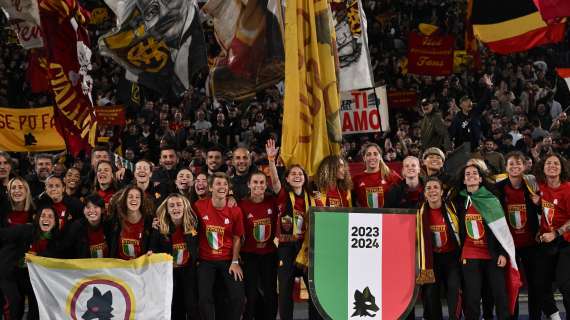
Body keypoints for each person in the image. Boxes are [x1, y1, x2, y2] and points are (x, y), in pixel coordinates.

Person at [496, 152, 559, 319]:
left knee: (535, 285)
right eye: (511, 164)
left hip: (532, 244)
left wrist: (539, 204)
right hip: (510, 246)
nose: (515, 166)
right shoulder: (499, 187)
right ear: (506, 167)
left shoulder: (533, 185)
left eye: (518, 164)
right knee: (513, 285)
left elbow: (545, 212)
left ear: (524, 166)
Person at [453, 164, 514, 320]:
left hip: (492, 253)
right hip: (470, 253)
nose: (471, 175)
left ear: (480, 179)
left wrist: (502, 253)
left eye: (475, 173)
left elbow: (502, 228)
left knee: (499, 294)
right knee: (472, 297)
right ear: (464, 180)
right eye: (467, 174)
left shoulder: (491, 199)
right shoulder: (458, 200)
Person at [193, 172, 245, 320]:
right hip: (205, 261)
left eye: (225, 184)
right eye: (218, 184)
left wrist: (235, 262)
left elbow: (237, 237)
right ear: (210, 187)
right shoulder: (199, 206)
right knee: (204, 299)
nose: (222, 187)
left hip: (228, 260)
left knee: (238, 298)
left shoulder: (235, 210)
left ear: (229, 188)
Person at [0, 205, 62, 319]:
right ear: (38, 219)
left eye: (50, 216)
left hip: (29, 279)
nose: (46, 219)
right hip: (8, 271)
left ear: (55, 222)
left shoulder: (56, 243)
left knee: (37, 302)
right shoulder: (26, 230)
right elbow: (3, 234)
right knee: (16, 301)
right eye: (43, 215)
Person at [418, 177, 462, 320]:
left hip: (452, 259)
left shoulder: (453, 208)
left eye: (435, 187)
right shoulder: (418, 213)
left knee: (454, 291)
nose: (432, 191)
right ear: (424, 193)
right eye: (428, 188)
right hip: (430, 260)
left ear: (442, 192)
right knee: (430, 294)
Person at [151, 194, 199, 319]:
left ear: (184, 207)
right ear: (167, 209)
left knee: (191, 305)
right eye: (171, 206)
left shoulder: (193, 224)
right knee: (174, 306)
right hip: (169, 273)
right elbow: (153, 249)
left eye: (179, 205)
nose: (175, 208)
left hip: (188, 271)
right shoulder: (160, 227)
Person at [238, 171, 278, 320]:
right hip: (249, 255)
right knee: (251, 294)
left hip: (269, 254)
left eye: (262, 182)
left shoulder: (272, 201)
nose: (258, 185)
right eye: (255, 182)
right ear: (249, 184)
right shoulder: (241, 205)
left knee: (270, 292)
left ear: (266, 185)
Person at [534, 153, 570, 317]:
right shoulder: (539, 187)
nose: (552, 166)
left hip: (565, 241)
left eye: (556, 163)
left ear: (562, 168)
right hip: (546, 242)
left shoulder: (568, 189)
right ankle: (554, 316)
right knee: (540, 285)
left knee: (565, 285)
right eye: (548, 163)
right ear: (543, 167)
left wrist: (556, 233)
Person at [108, 186, 154, 260]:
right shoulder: (116, 220)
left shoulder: (149, 221)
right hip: (120, 267)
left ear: (141, 200)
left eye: (137, 197)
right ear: (125, 200)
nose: (134, 199)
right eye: (130, 197)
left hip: (140, 268)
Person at [352, 143, 401, 208]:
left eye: (375, 154)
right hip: (365, 217)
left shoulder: (391, 175)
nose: (372, 157)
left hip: (386, 217)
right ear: (364, 158)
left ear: (380, 157)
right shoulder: (356, 179)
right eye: (369, 154)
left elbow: (405, 190)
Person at [63, 194, 111, 258]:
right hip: (84, 266)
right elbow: (67, 251)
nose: (91, 210)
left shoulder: (110, 226)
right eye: (88, 207)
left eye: (95, 207)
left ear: (102, 210)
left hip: (106, 266)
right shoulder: (76, 227)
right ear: (83, 210)